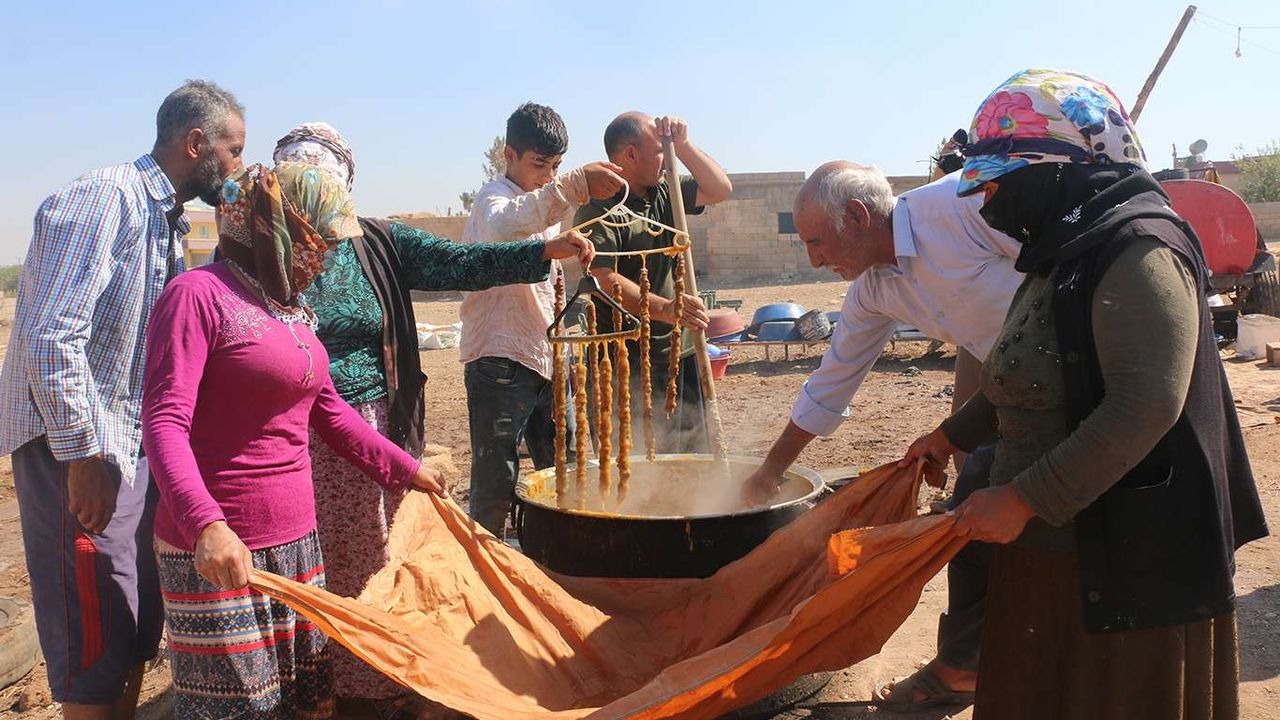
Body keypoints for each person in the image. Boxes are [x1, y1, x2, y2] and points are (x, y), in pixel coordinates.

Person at [902, 68, 1268, 719]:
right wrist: (950, 436)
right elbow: (1029, 371)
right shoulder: (1066, 251)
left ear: (1060, 170)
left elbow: (1144, 406)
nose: (985, 201)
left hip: (1127, 568)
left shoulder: (1139, 248)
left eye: (997, 182)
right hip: (1056, 552)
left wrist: (1023, 498)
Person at [272, 120, 598, 716]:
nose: (308, 209)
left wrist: (543, 251)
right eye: (295, 190)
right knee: (303, 561)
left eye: (319, 190)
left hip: (374, 428)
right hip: (289, 436)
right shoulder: (261, 250)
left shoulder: (374, 240)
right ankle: (319, 682)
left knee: (377, 554)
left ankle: (377, 681)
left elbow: (458, 261)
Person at [142, 162, 449, 719]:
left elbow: (331, 414)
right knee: (241, 708)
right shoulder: (196, 296)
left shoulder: (291, 311)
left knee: (302, 701)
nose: (325, 258)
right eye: (318, 242)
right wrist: (205, 525)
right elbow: (164, 422)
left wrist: (407, 470)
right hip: (222, 550)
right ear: (279, 231)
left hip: (299, 542)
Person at [0, 80, 244, 720]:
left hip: (125, 445)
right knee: (95, 629)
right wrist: (84, 457)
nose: (238, 167)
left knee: (133, 621)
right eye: (234, 150)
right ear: (197, 143)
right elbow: (52, 338)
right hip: (76, 447)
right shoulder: (106, 198)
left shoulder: (165, 220)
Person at [742, 160, 1025, 710]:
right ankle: (984, 652)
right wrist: (770, 471)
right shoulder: (872, 291)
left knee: (981, 502)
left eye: (817, 242)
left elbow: (1061, 270)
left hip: (1075, 363)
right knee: (976, 503)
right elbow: (831, 383)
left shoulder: (961, 206)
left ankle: (967, 666)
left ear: (857, 216)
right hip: (1001, 373)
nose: (813, 260)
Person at [460, 102, 628, 536]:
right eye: (539, 164)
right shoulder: (492, 200)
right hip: (499, 359)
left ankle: (563, 555)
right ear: (509, 155)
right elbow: (504, 228)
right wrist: (574, 186)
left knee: (566, 467)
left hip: (546, 356)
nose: (549, 175)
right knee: (496, 482)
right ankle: (486, 564)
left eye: (557, 166)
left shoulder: (541, 208)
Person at [573, 113, 732, 454]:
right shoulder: (599, 206)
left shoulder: (665, 191)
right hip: (625, 358)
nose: (666, 158)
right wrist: (666, 308)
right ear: (630, 154)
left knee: (693, 458)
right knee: (635, 463)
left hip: (679, 350)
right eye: (660, 150)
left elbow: (720, 189)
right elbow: (603, 277)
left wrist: (682, 145)